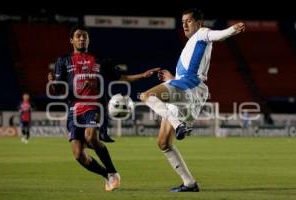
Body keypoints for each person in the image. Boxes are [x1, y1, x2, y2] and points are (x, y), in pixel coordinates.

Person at [140, 8, 245, 192]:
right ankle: (190, 183)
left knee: (146, 96)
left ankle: (180, 125)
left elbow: (218, 35)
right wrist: (171, 79)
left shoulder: (202, 34)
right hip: (187, 90)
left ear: (199, 23)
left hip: (190, 87)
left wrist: (233, 29)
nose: (185, 25)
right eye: (182, 22)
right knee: (163, 143)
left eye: (188, 21)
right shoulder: (190, 45)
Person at [47, 24, 159, 192]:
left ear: (89, 39)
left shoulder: (99, 58)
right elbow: (57, 89)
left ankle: (113, 171)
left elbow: (120, 77)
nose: (82, 38)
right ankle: (107, 175)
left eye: (85, 36)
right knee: (78, 155)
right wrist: (51, 82)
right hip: (74, 109)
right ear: (71, 40)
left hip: (95, 105)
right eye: (78, 36)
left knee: (91, 137)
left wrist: (142, 75)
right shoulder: (63, 61)